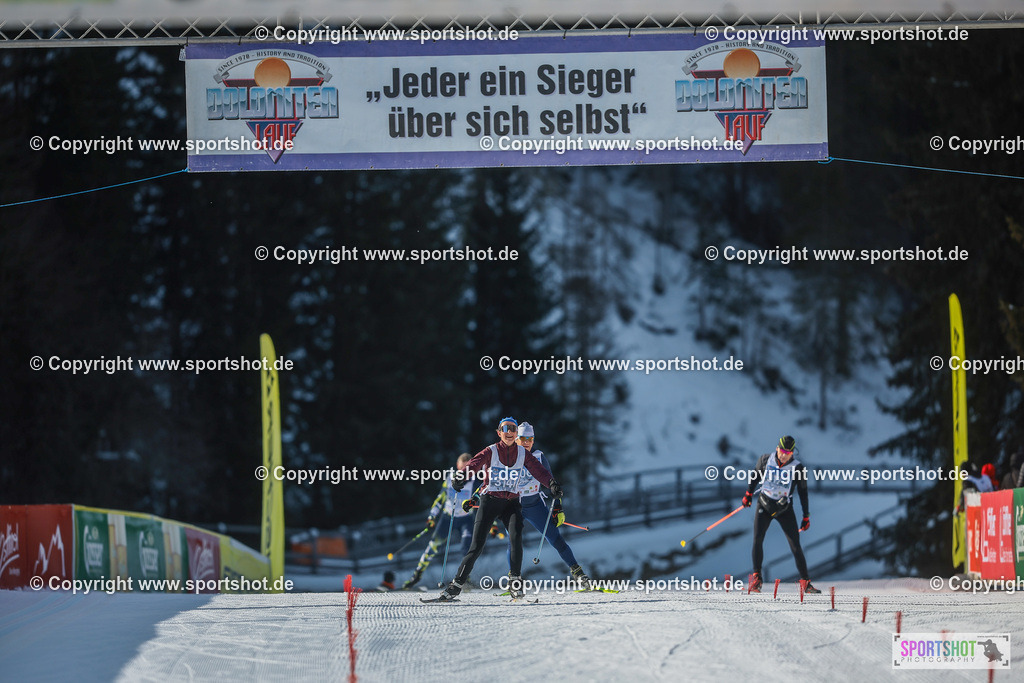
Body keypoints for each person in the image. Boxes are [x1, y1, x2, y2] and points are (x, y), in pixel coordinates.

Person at [435, 417, 562, 601]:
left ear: (516, 434)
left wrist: (551, 484)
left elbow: (539, 470)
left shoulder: (522, 454)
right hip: (490, 501)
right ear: (499, 433)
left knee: (516, 537)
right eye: (505, 429)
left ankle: (515, 583)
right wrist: (461, 476)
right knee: (476, 546)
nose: (509, 432)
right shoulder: (491, 451)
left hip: (511, 503)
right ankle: (456, 586)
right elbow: (474, 464)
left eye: (512, 429)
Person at [499, 421, 592, 589]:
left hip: (534, 505)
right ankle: (514, 579)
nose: (526, 442)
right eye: (523, 438)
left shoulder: (539, 457)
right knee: (513, 542)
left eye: (530, 439)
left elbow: (552, 484)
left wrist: (558, 507)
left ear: (533, 440)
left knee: (555, 538)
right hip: (514, 506)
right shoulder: (506, 456)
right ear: (516, 439)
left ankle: (578, 573)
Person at [742, 435, 820, 594]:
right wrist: (748, 494)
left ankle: (805, 583)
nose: (784, 455)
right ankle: (757, 579)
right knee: (758, 539)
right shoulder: (765, 460)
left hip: (784, 509)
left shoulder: (798, 468)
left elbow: (803, 493)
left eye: (788, 453)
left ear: (793, 452)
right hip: (764, 505)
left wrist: (806, 516)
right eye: (782, 451)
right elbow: (755, 477)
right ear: (777, 448)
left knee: (795, 545)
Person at [401, 453, 478, 589]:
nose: (465, 471)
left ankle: (465, 578)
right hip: (448, 518)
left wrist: (492, 524)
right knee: (433, 546)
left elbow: (483, 502)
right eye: (462, 468)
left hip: (466, 519)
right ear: (457, 466)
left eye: (468, 468)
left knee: (467, 548)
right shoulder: (450, 478)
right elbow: (440, 498)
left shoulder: (475, 481)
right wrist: (432, 516)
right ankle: (417, 575)